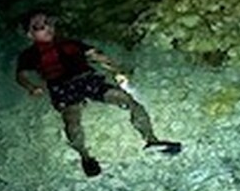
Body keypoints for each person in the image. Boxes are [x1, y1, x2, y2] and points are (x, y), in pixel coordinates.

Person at [15, 10, 181, 176]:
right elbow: (20, 75)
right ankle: (85, 157)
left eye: (48, 22)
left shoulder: (71, 44)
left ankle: (152, 140)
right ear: (30, 34)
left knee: (129, 101)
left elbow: (97, 56)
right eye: (39, 26)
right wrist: (31, 87)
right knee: (72, 121)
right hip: (62, 87)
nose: (47, 27)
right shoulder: (29, 55)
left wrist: (117, 70)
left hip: (87, 80)